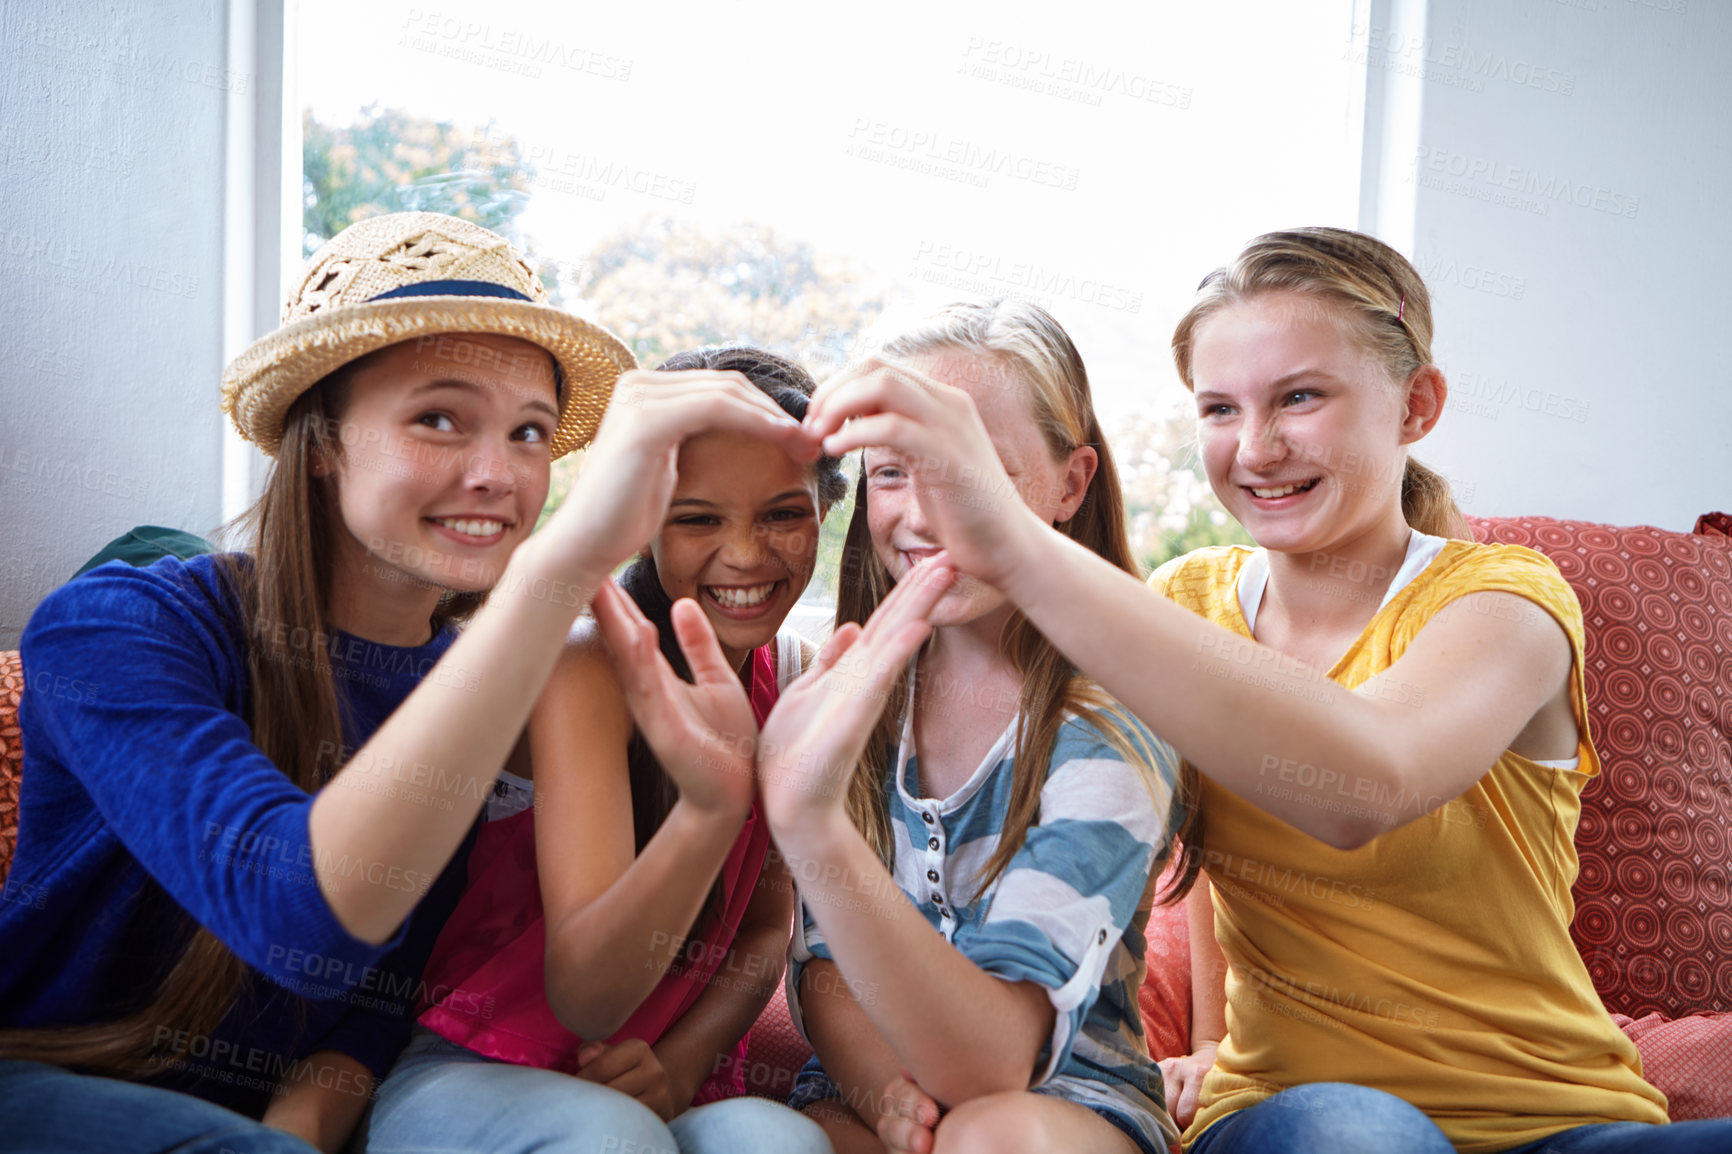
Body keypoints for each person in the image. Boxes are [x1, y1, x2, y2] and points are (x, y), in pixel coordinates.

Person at [800, 230, 1732, 1153]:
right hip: (1307, 1115)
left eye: (1301, 398)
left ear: (1417, 405)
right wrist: (1209, 1040)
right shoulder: (1186, 605)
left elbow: (1362, 784)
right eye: (1219, 409)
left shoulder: (1506, 602)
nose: (1257, 447)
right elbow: (1200, 833)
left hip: (1555, 1120)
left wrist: (1003, 527)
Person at [0, 212, 814, 1154]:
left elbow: (386, 996)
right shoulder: (119, 628)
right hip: (45, 1080)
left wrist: (305, 1128)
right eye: (438, 419)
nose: (496, 474)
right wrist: (570, 560)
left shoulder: (468, 687)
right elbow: (296, 907)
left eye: (529, 433)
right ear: (321, 440)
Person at [689, 301, 1185, 1154]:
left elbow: (992, 1067)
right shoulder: (836, 690)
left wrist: (808, 821)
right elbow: (822, 968)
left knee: (988, 1138)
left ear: (1070, 484)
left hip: (1064, 1104)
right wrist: (884, 1095)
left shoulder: (1114, 718)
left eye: (976, 470)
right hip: (862, 1086)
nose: (923, 514)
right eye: (891, 473)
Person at [358, 347, 842, 1154]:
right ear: (641, 521)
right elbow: (585, 993)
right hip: (474, 1069)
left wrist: (681, 1065)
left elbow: (765, 926)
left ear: (825, 509)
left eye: (783, 514)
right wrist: (706, 807)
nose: (748, 555)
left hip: (660, 1076)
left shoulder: (791, 673)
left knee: (778, 1141)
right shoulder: (585, 664)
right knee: (609, 1136)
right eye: (697, 518)